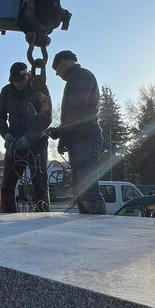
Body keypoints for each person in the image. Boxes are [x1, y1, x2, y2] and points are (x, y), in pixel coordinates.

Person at [48, 50, 106, 215]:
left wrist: (61, 136)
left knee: (87, 188)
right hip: (81, 140)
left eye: (57, 69)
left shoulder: (80, 77)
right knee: (82, 189)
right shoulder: (77, 78)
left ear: (65, 61)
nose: (57, 74)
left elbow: (76, 112)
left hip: (85, 140)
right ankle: (90, 227)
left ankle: (99, 229)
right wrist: (60, 133)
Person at [0, 61, 52, 213]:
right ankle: (7, 218)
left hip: (37, 142)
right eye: (14, 81)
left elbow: (46, 118)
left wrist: (29, 137)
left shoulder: (39, 89)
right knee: (7, 185)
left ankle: (43, 216)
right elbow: (0, 117)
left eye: (20, 81)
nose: (17, 84)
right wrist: (5, 134)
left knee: (40, 184)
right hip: (14, 142)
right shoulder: (6, 91)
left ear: (28, 76)